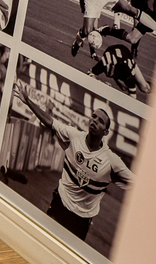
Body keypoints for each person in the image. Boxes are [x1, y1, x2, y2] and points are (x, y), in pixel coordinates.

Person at [11, 84, 134, 240]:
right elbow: (51, 122)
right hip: (60, 205)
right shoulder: (73, 136)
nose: (95, 121)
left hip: (81, 220)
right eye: (94, 117)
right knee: (44, 240)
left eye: (100, 121)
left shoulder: (112, 161)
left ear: (106, 132)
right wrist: (28, 100)